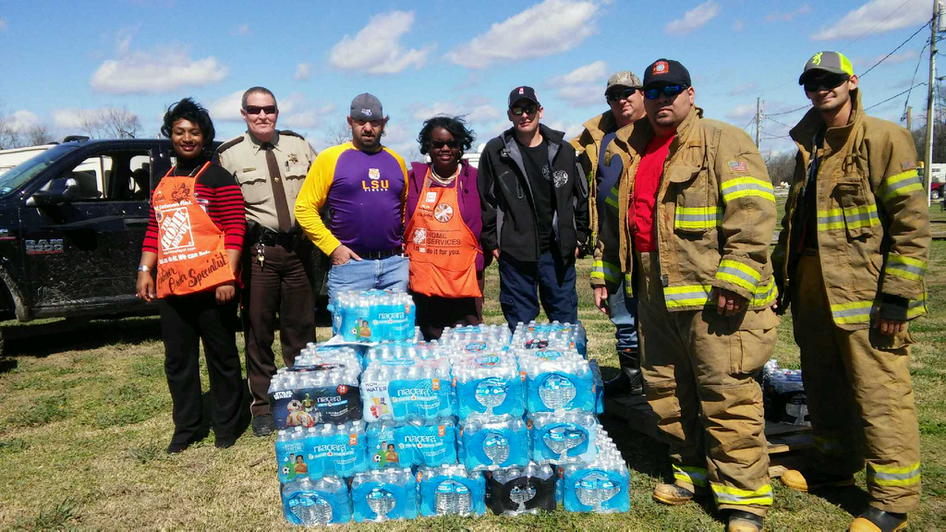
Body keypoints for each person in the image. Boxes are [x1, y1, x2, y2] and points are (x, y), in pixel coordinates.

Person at [603, 59, 778, 532]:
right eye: (653, 91)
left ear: (691, 94)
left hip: (714, 297)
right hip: (655, 294)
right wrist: (609, 272)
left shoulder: (723, 141)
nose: (662, 98)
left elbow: (753, 215)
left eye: (672, 89)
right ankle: (691, 472)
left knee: (727, 393)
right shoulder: (632, 149)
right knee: (666, 390)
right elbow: (621, 219)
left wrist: (736, 281)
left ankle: (744, 499)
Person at [772, 51, 930, 532]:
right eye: (812, 82)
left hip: (867, 293)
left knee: (881, 395)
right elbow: (796, 223)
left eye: (831, 80)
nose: (822, 89)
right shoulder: (810, 145)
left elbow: (911, 224)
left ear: (852, 82)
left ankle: (892, 501)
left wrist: (896, 296)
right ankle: (833, 465)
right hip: (813, 289)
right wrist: (781, 279)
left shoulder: (883, 138)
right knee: (823, 385)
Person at [136, 98, 246, 454]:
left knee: (222, 357)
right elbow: (154, 230)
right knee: (178, 361)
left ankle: (227, 424)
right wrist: (145, 269)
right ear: (170, 136)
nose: (187, 138)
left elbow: (235, 228)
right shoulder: (163, 181)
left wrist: (228, 276)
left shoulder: (218, 177)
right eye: (180, 132)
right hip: (172, 287)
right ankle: (187, 428)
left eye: (194, 132)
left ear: (205, 137)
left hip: (213, 285)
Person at [215, 86, 318, 437]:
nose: (263, 116)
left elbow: (323, 188)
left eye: (269, 109)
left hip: (299, 251)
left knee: (301, 329)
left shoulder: (298, 146)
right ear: (243, 113)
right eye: (255, 110)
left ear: (277, 111)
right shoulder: (229, 155)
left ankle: (303, 398)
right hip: (259, 254)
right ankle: (262, 405)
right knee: (258, 331)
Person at [478, 86, 589, 330]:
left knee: (565, 325)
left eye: (529, 109)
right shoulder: (496, 151)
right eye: (518, 110)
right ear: (509, 115)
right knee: (520, 327)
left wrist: (579, 238)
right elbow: (486, 199)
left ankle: (562, 357)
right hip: (515, 252)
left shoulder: (564, 150)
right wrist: (492, 242)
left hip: (558, 252)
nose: (524, 115)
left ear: (540, 111)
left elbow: (580, 197)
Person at [295, 93, 408, 312]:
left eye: (375, 122)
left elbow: (403, 210)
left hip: (393, 268)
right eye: (361, 122)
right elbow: (304, 208)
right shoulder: (330, 158)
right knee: (352, 332)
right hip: (350, 268)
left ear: (384, 123)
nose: (368, 128)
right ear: (350, 122)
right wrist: (333, 248)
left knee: (393, 332)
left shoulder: (397, 161)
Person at [571, 70, 646, 397]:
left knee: (656, 319)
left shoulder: (659, 129)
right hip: (612, 239)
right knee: (622, 314)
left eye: (628, 92)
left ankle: (660, 381)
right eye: (614, 96)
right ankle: (632, 377)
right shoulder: (597, 137)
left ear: (642, 93)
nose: (622, 100)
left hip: (650, 238)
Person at [405, 116, 483, 340]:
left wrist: (481, 257)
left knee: (467, 345)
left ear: (461, 147)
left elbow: (489, 222)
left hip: (463, 282)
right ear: (428, 147)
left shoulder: (476, 179)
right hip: (425, 282)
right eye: (438, 144)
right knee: (427, 347)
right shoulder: (413, 180)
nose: (445, 149)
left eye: (452, 143)